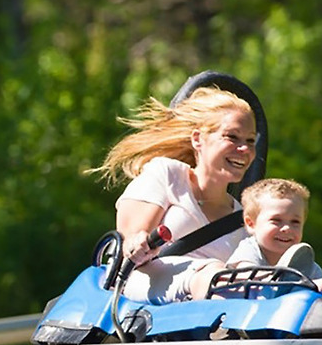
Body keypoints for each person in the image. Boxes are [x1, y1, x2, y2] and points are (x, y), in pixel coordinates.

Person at [91, 85, 257, 304]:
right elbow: (129, 241)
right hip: (144, 284)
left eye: (250, 141)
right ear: (198, 139)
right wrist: (138, 243)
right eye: (232, 137)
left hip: (208, 300)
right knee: (213, 274)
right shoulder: (168, 174)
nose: (244, 149)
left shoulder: (243, 218)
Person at [226, 178, 322, 313]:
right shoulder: (249, 249)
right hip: (246, 320)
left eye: (295, 222)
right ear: (251, 224)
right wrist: (308, 286)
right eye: (276, 220)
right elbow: (248, 277)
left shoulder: (305, 264)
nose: (287, 228)